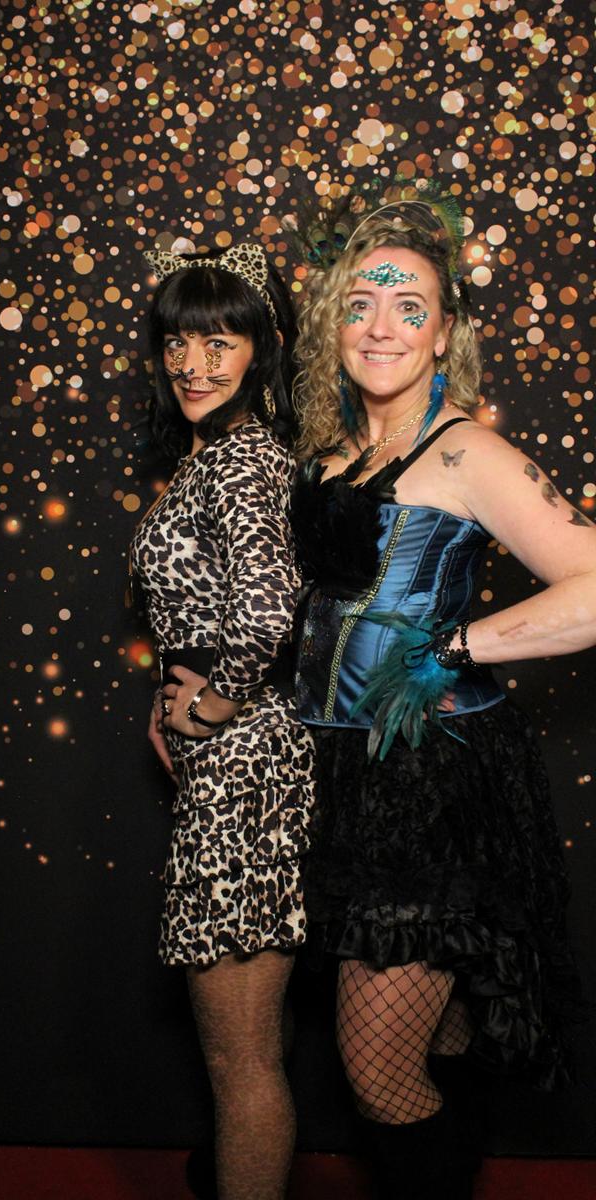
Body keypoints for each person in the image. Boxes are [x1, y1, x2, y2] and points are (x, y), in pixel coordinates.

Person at [288, 184, 593, 1199]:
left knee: (377, 1071)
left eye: (407, 306)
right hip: (339, 773)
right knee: (438, 1037)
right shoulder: (333, 451)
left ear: (443, 331)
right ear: (333, 322)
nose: (380, 326)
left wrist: (454, 646)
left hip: (426, 780)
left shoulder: (466, 451)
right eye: (360, 303)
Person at [130, 243, 315, 1200]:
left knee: (240, 1062)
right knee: (246, 1051)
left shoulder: (245, 460)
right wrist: (172, 698)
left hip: (246, 769)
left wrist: (209, 705)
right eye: (177, 341)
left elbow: (271, 606)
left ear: (260, 348)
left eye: (219, 342)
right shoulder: (214, 456)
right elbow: (205, 603)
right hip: (231, 765)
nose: (192, 364)